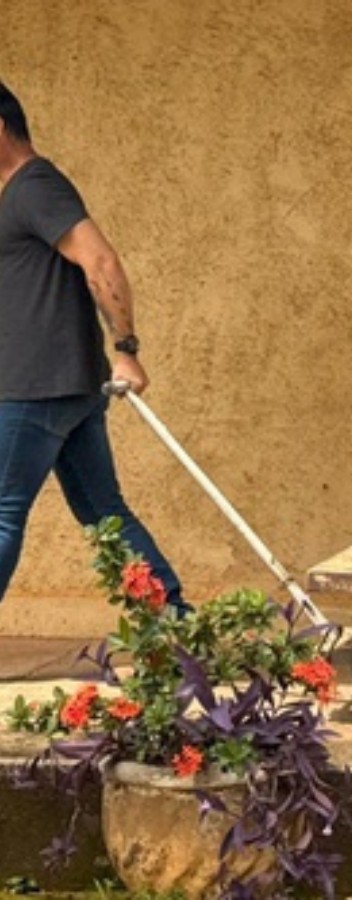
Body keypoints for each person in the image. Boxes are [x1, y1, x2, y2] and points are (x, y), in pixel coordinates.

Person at [0, 79, 187, 614]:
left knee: (3, 513)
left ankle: (177, 625)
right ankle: (177, 627)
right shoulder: (20, 194)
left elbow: (100, 261)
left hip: (35, 389)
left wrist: (127, 349)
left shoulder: (36, 185)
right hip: (68, 387)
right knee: (105, 515)